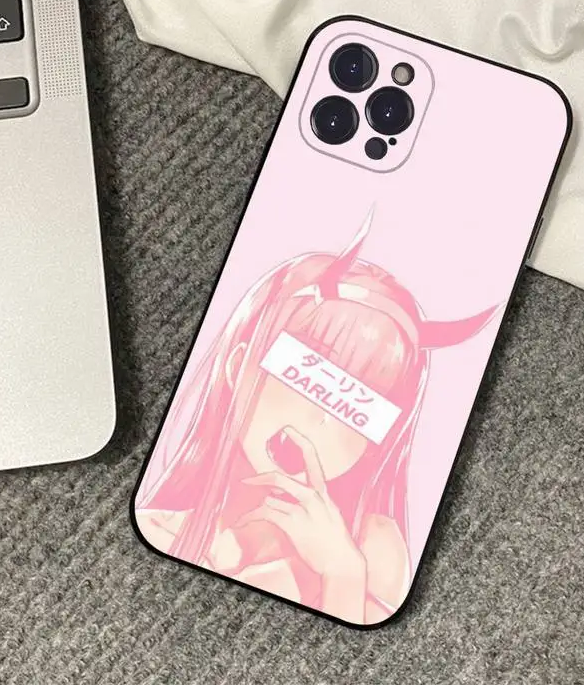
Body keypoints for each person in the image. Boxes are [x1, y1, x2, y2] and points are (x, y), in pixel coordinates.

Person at [135, 214, 498, 624]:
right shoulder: (158, 529)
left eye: (361, 403)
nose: (320, 421)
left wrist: (342, 571)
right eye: (304, 373)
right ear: (238, 367)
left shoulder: (372, 547)